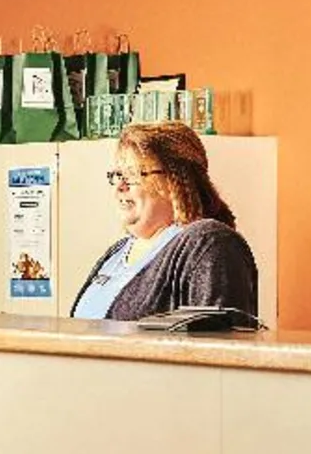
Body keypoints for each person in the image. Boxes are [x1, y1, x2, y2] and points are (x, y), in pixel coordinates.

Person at [68, 122, 258, 321]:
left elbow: (215, 344)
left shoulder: (208, 244)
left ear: (175, 181)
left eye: (133, 174)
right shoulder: (117, 252)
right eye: (118, 175)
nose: (120, 187)